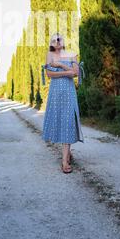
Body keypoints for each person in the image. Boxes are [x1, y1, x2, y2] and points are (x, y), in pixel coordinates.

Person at [42, 32, 84, 174]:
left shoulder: (72, 54)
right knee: (60, 122)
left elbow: (76, 73)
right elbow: (49, 74)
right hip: (55, 94)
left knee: (68, 122)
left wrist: (59, 65)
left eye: (59, 39)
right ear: (51, 43)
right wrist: (67, 71)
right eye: (54, 40)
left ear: (63, 41)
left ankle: (64, 161)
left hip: (69, 93)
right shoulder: (49, 55)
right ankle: (67, 154)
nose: (57, 41)